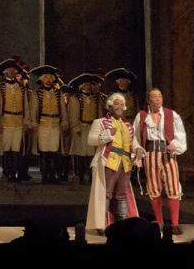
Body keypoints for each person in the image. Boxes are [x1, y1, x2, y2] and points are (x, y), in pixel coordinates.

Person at [86, 93, 142, 234]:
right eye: (116, 104)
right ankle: (103, 225)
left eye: (122, 104)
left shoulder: (128, 126)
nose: (119, 107)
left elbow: (133, 143)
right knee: (106, 194)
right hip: (109, 162)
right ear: (110, 106)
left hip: (126, 163)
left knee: (122, 195)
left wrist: (139, 150)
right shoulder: (100, 122)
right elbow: (91, 140)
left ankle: (122, 224)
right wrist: (106, 135)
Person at [134, 88, 186, 234]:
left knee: (173, 187)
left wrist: (175, 146)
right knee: (154, 188)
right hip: (150, 155)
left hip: (168, 154)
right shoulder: (142, 116)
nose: (158, 99)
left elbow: (180, 135)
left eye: (160, 97)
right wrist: (138, 150)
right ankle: (160, 223)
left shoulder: (171, 115)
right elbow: (136, 137)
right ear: (149, 100)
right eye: (154, 97)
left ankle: (175, 223)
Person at [29, 64, 68, 184]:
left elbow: (62, 108)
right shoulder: (37, 93)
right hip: (43, 124)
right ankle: (44, 175)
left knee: (54, 150)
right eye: (46, 77)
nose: (48, 80)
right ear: (41, 79)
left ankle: (53, 174)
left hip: (55, 123)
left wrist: (64, 122)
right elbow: (34, 109)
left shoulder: (58, 93)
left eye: (51, 77)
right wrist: (34, 123)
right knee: (44, 151)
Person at [0, 58, 29, 183]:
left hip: (18, 121)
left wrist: (26, 121)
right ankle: (6, 172)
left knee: (16, 149)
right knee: (6, 148)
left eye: (13, 70)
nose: (11, 72)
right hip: (6, 120)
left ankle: (15, 172)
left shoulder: (21, 87)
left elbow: (26, 106)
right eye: (9, 70)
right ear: (5, 72)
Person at [68, 72, 105, 184]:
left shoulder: (96, 98)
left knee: (92, 153)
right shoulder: (75, 99)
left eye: (90, 84)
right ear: (81, 86)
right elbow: (72, 114)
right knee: (80, 152)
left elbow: (99, 114)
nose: (88, 87)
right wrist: (75, 127)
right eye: (86, 84)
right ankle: (79, 175)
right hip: (81, 127)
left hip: (92, 128)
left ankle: (91, 175)